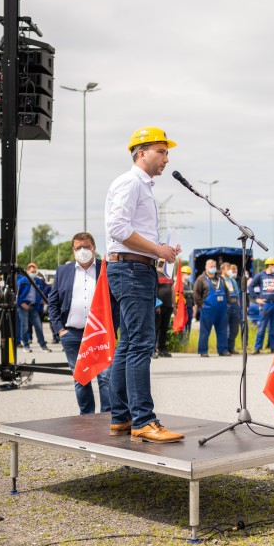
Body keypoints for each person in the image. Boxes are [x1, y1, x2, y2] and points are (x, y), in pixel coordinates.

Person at [105, 125, 183, 443]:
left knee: (128, 344)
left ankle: (121, 417)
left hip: (135, 268)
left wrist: (161, 251)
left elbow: (129, 231)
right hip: (132, 270)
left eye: (166, 152)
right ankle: (143, 420)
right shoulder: (130, 183)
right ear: (141, 153)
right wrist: (156, 250)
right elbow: (117, 227)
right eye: (161, 151)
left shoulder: (142, 187)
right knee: (139, 345)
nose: (166, 158)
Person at [47, 232, 112, 415]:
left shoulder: (105, 269)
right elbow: (52, 303)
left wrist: (112, 327)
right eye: (78, 248)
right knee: (81, 379)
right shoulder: (63, 271)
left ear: (94, 248)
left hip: (100, 334)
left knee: (106, 377)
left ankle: (107, 417)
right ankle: (86, 417)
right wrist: (60, 330)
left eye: (86, 247)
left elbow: (115, 300)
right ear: (73, 250)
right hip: (72, 334)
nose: (83, 251)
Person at [194, 259, 229, 357]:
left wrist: (228, 304)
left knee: (222, 330)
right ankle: (203, 351)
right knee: (205, 331)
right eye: (211, 266)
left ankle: (223, 350)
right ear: (206, 266)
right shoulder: (201, 279)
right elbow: (196, 293)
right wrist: (201, 305)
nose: (213, 268)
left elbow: (226, 292)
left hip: (221, 310)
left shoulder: (220, 279)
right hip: (208, 310)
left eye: (214, 266)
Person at [249, 257, 274, 354]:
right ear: (270, 265)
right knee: (262, 328)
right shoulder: (260, 275)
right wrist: (256, 299)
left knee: (273, 328)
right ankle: (257, 348)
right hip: (265, 304)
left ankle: (273, 347)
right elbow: (250, 286)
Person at [16, 263, 51, 353]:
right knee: (24, 327)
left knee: (38, 326)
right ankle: (26, 345)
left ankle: (43, 345)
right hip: (23, 306)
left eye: (35, 272)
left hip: (34, 307)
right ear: (27, 271)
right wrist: (21, 303)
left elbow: (47, 287)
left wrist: (43, 298)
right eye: (32, 272)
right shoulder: (22, 281)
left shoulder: (38, 281)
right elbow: (16, 294)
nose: (34, 273)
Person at [153, 263, 174, 358]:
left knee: (164, 328)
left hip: (168, 305)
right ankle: (152, 350)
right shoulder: (155, 274)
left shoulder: (169, 275)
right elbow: (153, 290)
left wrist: (174, 305)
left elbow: (172, 290)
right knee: (155, 328)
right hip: (159, 306)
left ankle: (162, 349)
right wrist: (156, 305)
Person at [221, 263, 241, 354]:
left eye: (230, 268)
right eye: (227, 268)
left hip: (235, 305)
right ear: (223, 270)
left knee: (234, 329)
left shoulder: (232, 281)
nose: (230, 270)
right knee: (226, 329)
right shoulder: (220, 280)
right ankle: (225, 348)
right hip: (226, 305)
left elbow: (237, 293)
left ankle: (231, 347)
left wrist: (238, 304)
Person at [179, 265, 194, 345]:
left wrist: (194, 308)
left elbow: (194, 296)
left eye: (189, 273)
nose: (188, 275)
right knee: (182, 325)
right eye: (186, 273)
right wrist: (190, 292)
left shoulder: (191, 284)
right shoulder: (179, 284)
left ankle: (186, 342)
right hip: (182, 308)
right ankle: (181, 342)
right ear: (182, 274)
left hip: (190, 307)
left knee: (189, 325)